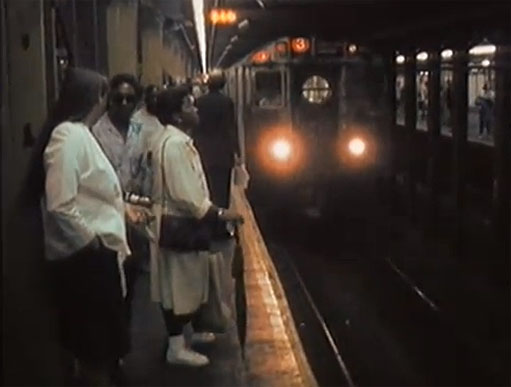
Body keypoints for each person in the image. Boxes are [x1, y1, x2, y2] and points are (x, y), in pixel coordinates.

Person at [24, 67, 142, 385]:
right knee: (96, 352)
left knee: (101, 349)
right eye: (108, 95)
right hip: (86, 263)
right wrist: (92, 241)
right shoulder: (68, 136)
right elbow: (60, 202)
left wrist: (121, 209)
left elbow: (91, 193)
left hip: (95, 259)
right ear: (97, 98)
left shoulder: (78, 134)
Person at [148, 86, 243, 367]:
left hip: (175, 222)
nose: (196, 110)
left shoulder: (173, 139)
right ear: (178, 116)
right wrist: (221, 213)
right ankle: (176, 348)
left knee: (180, 284)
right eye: (190, 106)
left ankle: (183, 339)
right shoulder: (176, 145)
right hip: (179, 224)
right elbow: (186, 196)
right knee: (178, 286)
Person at [92, 74, 148, 326]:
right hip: (107, 214)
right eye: (119, 98)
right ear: (109, 101)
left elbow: (144, 167)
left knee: (131, 278)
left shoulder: (139, 129)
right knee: (112, 282)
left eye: (130, 99)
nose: (124, 104)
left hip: (135, 215)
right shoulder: (96, 133)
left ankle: (122, 334)